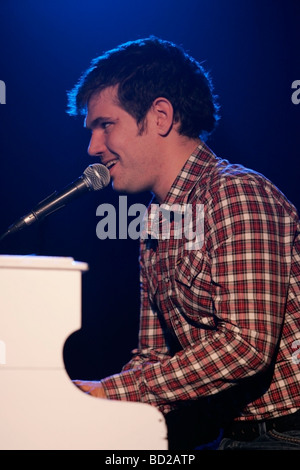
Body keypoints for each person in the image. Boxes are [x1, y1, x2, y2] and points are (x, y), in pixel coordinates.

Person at [67, 36, 300, 450]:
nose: (92, 147)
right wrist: (91, 396)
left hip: (285, 434)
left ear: (160, 116)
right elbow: (153, 358)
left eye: (105, 125)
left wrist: (113, 393)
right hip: (231, 436)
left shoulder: (236, 194)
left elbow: (246, 346)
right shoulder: (155, 224)